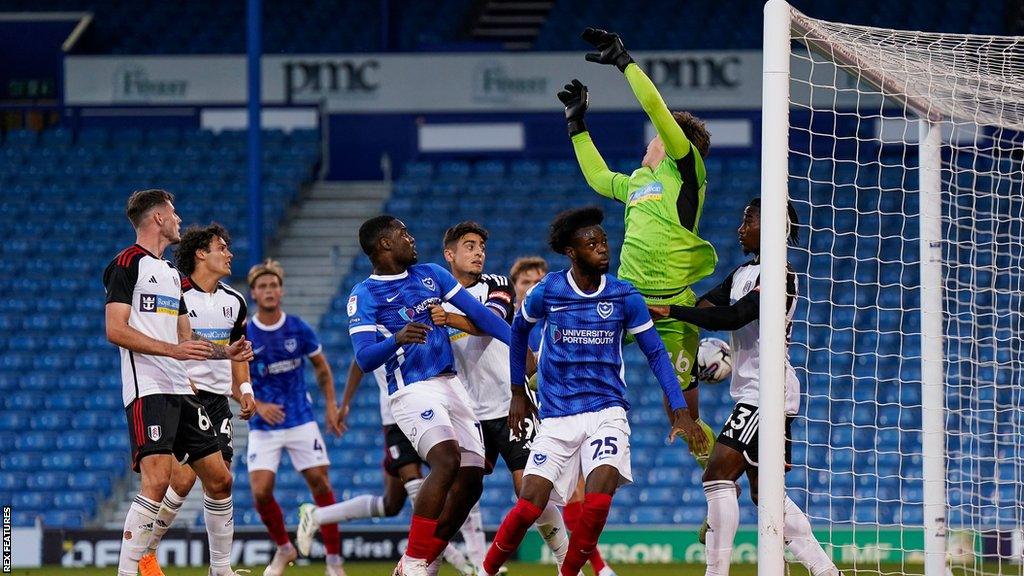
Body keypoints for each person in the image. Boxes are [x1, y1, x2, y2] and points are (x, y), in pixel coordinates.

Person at [481, 207, 704, 576]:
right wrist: (518, 392)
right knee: (529, 505)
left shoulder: (624, 295)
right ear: (572, 251)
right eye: (592, 243)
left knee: (598, 501)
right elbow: (519, 330)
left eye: (604, 241)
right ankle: (484, 572)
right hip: (556, 415)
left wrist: (680, 408)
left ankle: (569, 573)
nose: (603, 248)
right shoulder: (548, 290)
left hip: (606, 411)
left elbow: (655, 352)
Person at [647, 198, 841, 576]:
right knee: (764, 494)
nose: (740, 228)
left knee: (717, 474)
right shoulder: (740, 274)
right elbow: (706, 307)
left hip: (766, 393)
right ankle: (826, 570)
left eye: (747, 219)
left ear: (772, 225)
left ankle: (715, 572)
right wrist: (663, 312)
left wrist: (675, 312)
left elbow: (734, 316)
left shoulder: (780, 275)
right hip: (759, 391)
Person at [560, 27, 720, 468]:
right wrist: (577, 124)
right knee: (570, 348)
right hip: (627, 300)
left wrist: (623, 61)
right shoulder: (636, 182)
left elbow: (654, 106)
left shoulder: (687, 171)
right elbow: (596, 177)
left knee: (683, 413)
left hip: (673, 309)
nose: (651, 139)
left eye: (658, 136)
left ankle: (718, 480)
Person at [346, 215, 511, 576]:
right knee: (446, 460)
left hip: (452, 385)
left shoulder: (432, 274)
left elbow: (482, 315)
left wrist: (519, 345)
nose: (411, 237)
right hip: (410, 389)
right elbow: (363, 356)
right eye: (402, 233)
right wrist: (396, 339)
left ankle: (417, 560)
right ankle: (418, 558)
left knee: (471, 482)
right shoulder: (364, 294)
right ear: (384, 244)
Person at [103, 189, 252, 576]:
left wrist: (226, 354)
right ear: (157, 219)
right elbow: (115, 330)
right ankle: (128, 572)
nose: (179, 220)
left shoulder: (171, 275)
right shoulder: (126, 264)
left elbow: (187, 340)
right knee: (158, 480)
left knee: (220, 479)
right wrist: (172, 352)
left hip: (182, 389)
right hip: (148, 386)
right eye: (173, 213)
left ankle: (221, 570)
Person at [427, 223, 570, 571]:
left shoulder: (497, 285)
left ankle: (570, 563)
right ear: (450, 255)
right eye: (469, 246)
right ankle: (422, 564)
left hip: (511, 405)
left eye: (481, 247)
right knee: (458, 499)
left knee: (531, 492)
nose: (478, 253)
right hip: (467, 416)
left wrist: (447, 318)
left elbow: (487, 322)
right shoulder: (431, 300)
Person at [143, 224, 258, 570]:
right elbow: (162, 344)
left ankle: (215, 567)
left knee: (219, 482)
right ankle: (144, 554)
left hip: (218, 400)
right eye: (222, 248)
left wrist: (246, 390)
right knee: (184, 478)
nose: (229, 254)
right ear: (200, 254)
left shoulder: (234, 301)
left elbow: (238, 354)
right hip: (181, 395)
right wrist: (180, 379)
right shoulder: (175, 292)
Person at [295, 361, 477, 576]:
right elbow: (360, 361)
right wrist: (344, 404)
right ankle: (456, 564)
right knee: (417, 494)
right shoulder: (379, 333)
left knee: (392, 503)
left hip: (429, 410)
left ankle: (317, 515)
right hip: (396, 420)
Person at [510, 256, 616, 576]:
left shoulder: (559, 318)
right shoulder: (515, 324)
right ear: (515, 289)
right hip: (523, 414)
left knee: (576, 492)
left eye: (537, 282)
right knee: (536, 494)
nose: (532, 288)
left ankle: (588, 567)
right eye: (525, 283)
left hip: (564, 412)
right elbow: (526, 369)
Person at [245, 259, 345, 576]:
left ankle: (334, 562)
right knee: (260, 492)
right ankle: (284, 548)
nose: (269, 290)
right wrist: (258, 405)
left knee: (321, 483)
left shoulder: (298, 328)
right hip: (264, 424)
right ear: (253, 294)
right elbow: (233, 379)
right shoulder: (245, 332)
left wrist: (330, 406)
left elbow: (322, 369)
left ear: (281, 290)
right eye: (263, 286)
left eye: (274, 285)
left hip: (301, 418)